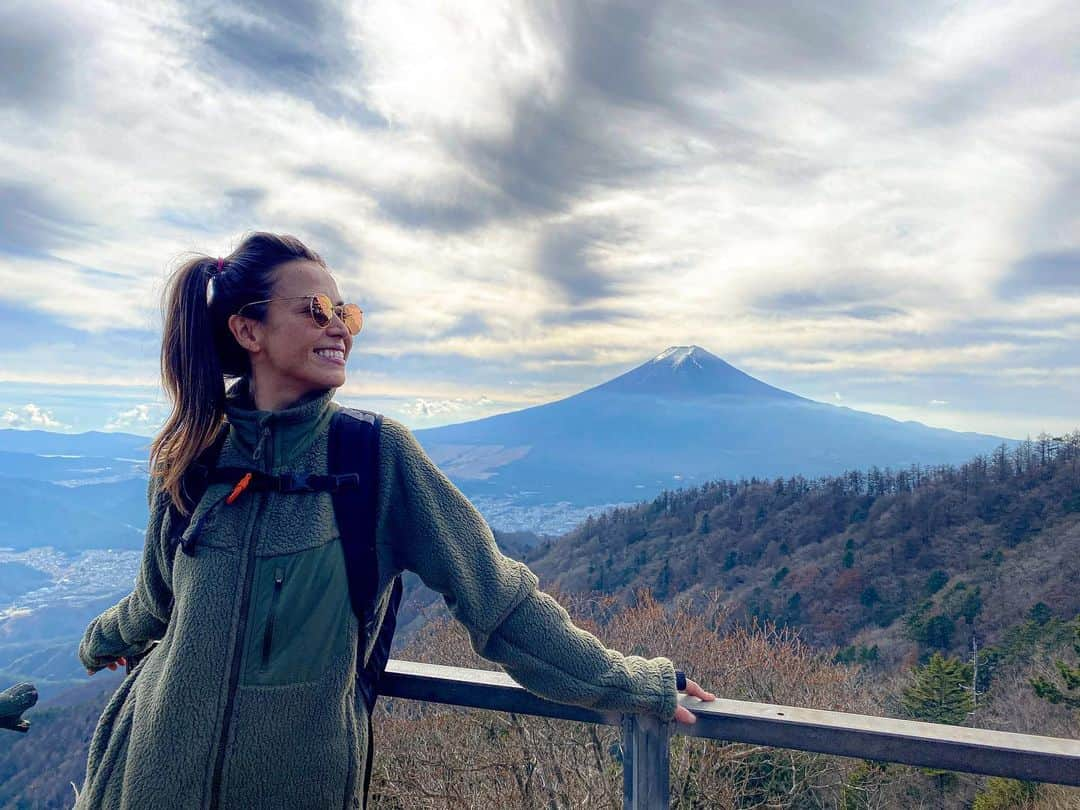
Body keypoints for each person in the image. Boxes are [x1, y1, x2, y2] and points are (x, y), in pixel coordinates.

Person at [75, 231, 714, 809]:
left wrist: (628, 681)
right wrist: (101, 640)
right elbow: (156, 601)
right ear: (249, 331)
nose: (341, 329)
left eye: (345, 313)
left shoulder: (372, 457)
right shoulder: (193, 455)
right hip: (152, 773)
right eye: (316, 311)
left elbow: (498, 600)